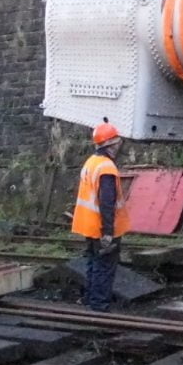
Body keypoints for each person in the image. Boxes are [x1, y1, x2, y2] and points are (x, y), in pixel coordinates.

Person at [71, 119, 130, 312]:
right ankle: (99, 306)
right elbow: (107, 202)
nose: (119, 145)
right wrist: (108, 232)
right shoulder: (106, 168)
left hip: (88, 225)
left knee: (93, 263)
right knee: (104, 267)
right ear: (110, 145)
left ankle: (90, 299)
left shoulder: (91, 162)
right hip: (101, 227)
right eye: (117, 142)